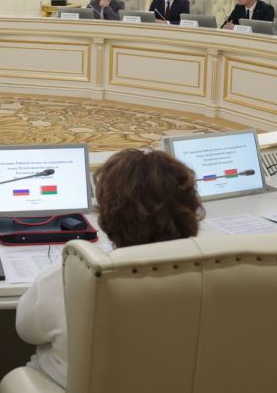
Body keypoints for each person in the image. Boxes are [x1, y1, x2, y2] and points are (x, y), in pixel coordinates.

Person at [14, 149, 201, 389]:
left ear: (106, 215)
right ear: (192, 209)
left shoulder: (65, 278)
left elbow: (26, 331)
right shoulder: (226, 273)